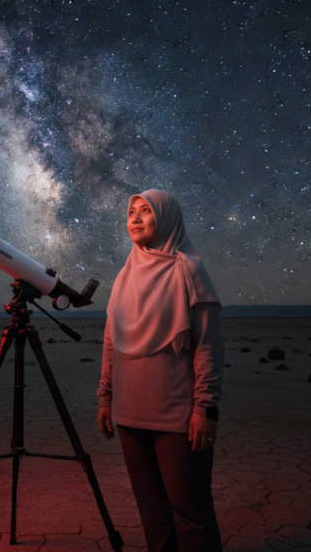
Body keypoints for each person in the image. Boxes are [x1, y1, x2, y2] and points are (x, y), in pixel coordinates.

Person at [97, 189, 224, 552]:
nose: (134, 218)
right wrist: (105, 397)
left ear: (166, 218)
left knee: (191, 514)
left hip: (177, 418)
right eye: (131, 211)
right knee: (153, 515)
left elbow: (209, 348)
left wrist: (206, 409)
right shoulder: (124, 277)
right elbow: (111, 342)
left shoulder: (190, 271)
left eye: (146, 211)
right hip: (128, 414)